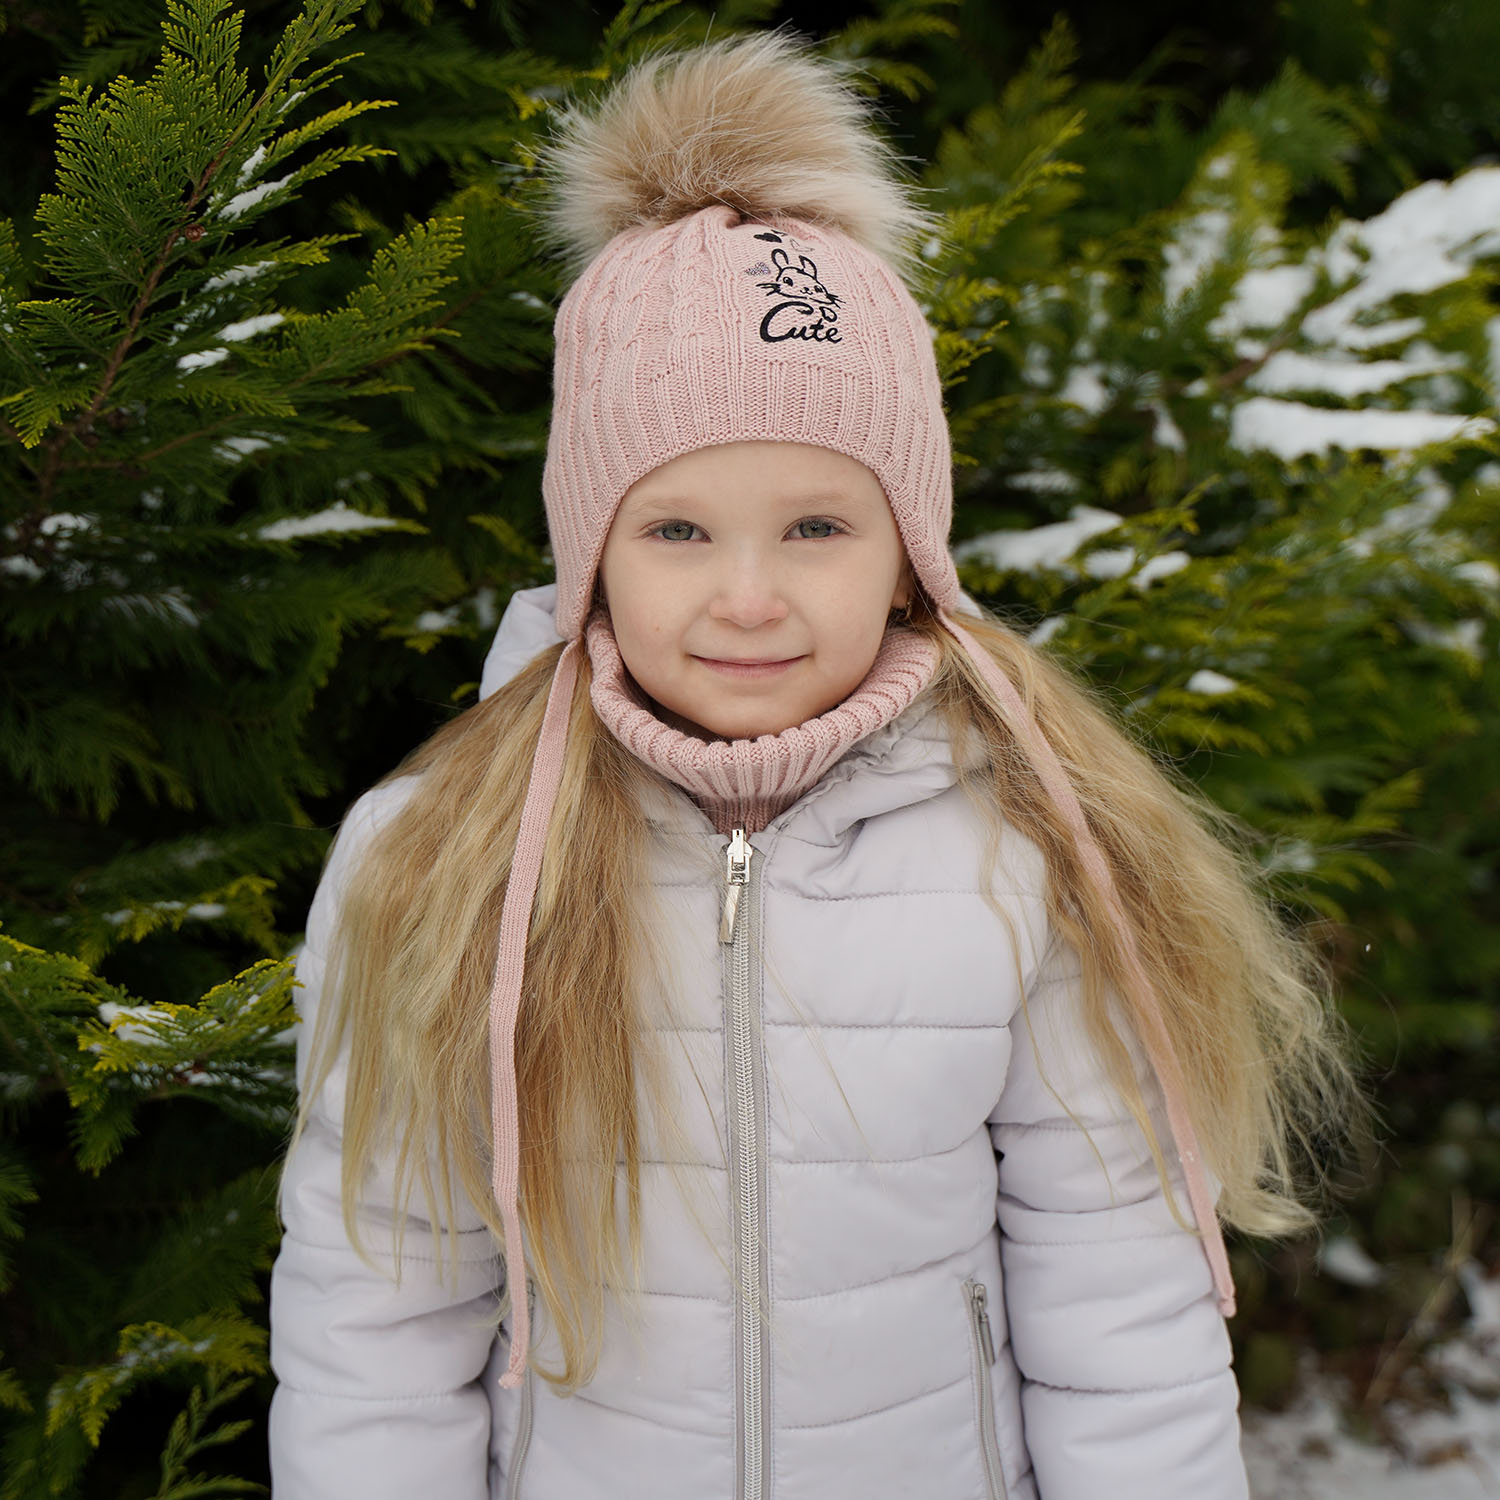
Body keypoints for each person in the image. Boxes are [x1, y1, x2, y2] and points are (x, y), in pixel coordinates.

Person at [267, 32, 1353, 1500]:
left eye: (818, 528)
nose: (750, 597)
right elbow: (379, 1308)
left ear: (912, 547)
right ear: (589, 552)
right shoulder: (438, 856)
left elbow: (1120, 1303)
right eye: (679, 531)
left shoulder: (1027, 847)